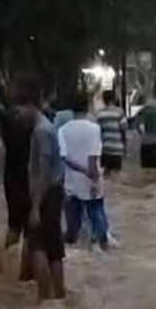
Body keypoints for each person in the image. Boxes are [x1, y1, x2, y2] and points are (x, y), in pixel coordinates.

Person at [18, 74, 66, 301]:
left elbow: (44, 171)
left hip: (46, 195)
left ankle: (43, 301)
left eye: (19, 110)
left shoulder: (41, 131)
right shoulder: (45, 128)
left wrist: (35, 206)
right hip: (53, 193)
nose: (18, 115)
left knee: (38, 247)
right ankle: (58, 299)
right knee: (55, 250)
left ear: (29, 106)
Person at [58, 92, 108, 251]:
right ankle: (102, 243)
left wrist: (81, 170)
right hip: (91, 178)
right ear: (88, 107)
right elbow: (93, 156)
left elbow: (64, 157)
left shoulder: (63, 130)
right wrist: (93, 177)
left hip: (71, 183)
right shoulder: (94, 129)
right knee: (96, 214)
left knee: (72, 229)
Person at [0, 87, 38, 280]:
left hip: (10, 178)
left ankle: (3, 269)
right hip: (28, 178)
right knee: (31, 230)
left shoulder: (6, 118)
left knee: (14, 225)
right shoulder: (33, 122)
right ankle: (25, 275)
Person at [95, 90, 127, 176]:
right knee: (116, 176)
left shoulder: (99, 114)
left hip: (105, 149)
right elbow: (123, 130)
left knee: (106, 175)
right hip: (117, 148)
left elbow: (98, 133)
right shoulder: (120, 112)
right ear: (114, 99)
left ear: (104, 100)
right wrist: (125, 147)